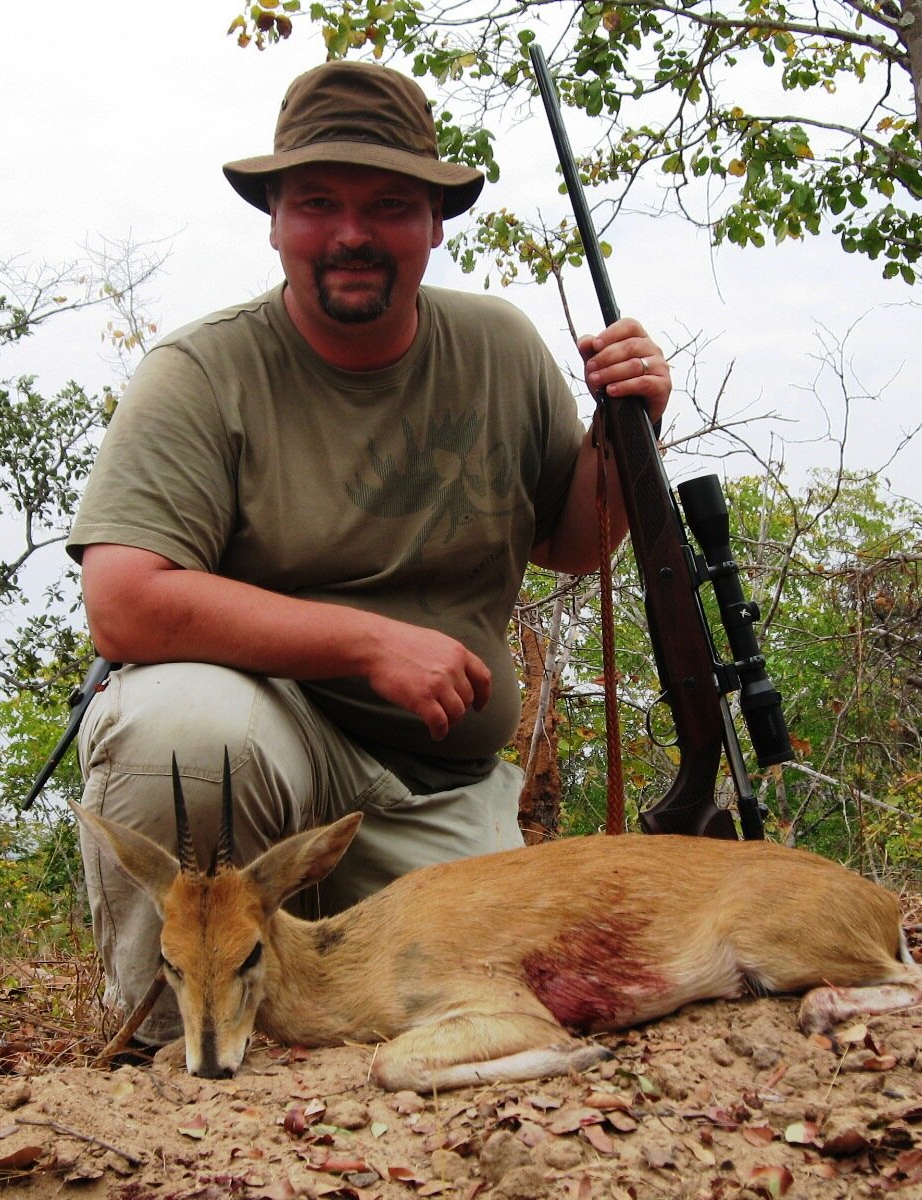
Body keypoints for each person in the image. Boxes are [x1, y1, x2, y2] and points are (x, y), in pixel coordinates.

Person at [67, 59, 672, 1046]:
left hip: (438, 781)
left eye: (390, 204)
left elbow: (572, 545)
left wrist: (624, 433)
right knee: (182, 726)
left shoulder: (500, 348)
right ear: (272, 218)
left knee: (522, 996)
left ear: (435, 222)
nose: (351, 233)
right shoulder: (199, 371)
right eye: (317, 203)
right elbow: (124, 603)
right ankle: (166, 1042)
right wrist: (367, 644)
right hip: (267, 756)